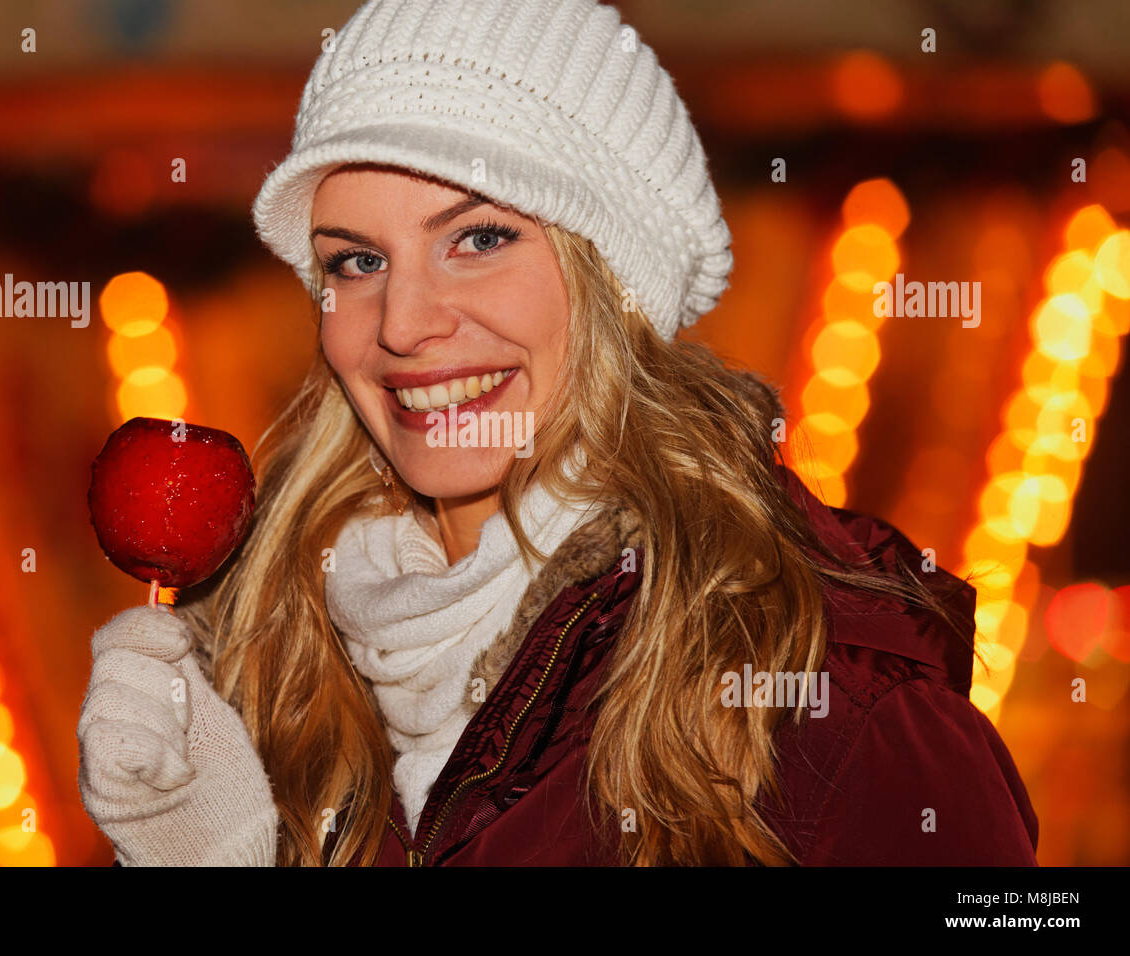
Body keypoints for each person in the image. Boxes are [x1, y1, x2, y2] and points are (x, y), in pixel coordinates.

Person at [77, 0, 1039, 867]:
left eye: (480, 238)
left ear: (614, 280)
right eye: (359, 260)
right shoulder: (266, 687)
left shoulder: (839, 730)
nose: (403, 322)